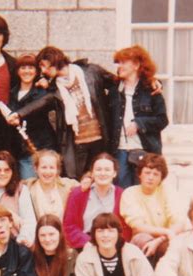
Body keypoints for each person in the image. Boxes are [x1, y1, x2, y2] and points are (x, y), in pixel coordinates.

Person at [7, 46, 116, 179]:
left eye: (43, 65)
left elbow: (115, 83)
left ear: (53, 60)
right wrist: (19, 114)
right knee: (77, 182)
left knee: (100, 178)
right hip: (77, 143)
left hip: (100, 138)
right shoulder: (54, 87)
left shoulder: (91, 71)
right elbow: (42, 102)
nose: (43, 70)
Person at [108, 45, 169, 188]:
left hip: (144, 151)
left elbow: (162, 120)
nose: (119, 67)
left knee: (144, 192)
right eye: (119, 63)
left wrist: (139, 124)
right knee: (121, 194)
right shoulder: (114, 89)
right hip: (119, 150)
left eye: (123, 62)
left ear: (136, 65)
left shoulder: (151, 90)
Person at [120, 153, 186, 267]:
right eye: (147, 172)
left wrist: (159, 240)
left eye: (156, 174)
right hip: (141, 240)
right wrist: (166, 232)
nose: (151, 177)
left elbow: (179, 222)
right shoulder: (130, 193)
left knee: (171, 246)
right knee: (144, 239)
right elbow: (138, 227)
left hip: (165, 239)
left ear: (161, 178)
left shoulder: (168, 191)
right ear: (140, 174)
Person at [64, 153, 130, 250]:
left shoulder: (122, 195)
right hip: (85, 245)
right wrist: (88, 242)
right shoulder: (78, 193)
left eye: (107, 170)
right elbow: (69, 226)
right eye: (98, 170)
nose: (102, 173)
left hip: (113, 245)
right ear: (92, 173)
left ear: (114, 173)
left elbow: (126, 228)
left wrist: (115, 244)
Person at [8, 54, 57, 179]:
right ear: (17, 71)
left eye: (31, 68)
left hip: (40, 147)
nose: (27, 71)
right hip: (21, 150)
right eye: (23, 68)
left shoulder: (42, 92)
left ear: (36, 71)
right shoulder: (12, 93)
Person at [24, 149, 78, 220]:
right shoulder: (28, 187)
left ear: (57, 170)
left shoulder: (68, 185)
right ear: (36, 169)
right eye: (44, 167)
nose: (48, 172)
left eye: (52, 168)